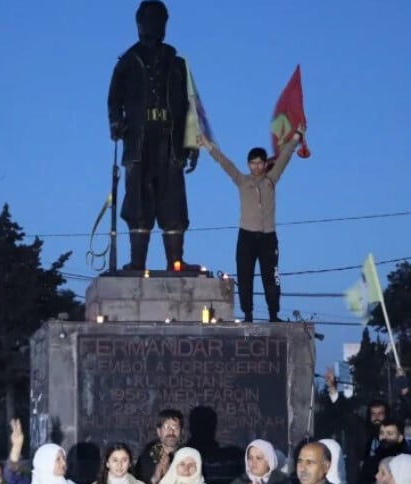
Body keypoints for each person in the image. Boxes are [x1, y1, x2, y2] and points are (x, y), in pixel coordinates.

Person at [107, 0, 200, 272]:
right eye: (149, 19)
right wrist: (116, 122)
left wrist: (192, 142)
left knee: (172, 199)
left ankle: (176, 262)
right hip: (139, 140)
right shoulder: (127, 62)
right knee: (138, 198)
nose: (154, 24)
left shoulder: (178, 64)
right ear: (139, 24)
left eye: (160, 19)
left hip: (170, 140)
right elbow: (114, 99)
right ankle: (138, 262)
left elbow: (190, 104)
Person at [197, 124, 304, 321]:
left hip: (268, 239)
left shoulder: (271, 180)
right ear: (248, 165)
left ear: (265, 165)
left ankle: (274, 314)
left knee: (272, 278)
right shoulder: (241, 180)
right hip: (246, 237)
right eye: (252, 163)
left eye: (259, 163)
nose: (256, 166)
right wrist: (208, 146)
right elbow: (225, 164)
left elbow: (285, 157)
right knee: (245, 278)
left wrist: (297, 136)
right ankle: (248, 315)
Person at [357, 418, 411, 484]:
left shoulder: (407, 462)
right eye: (382, 433)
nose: (384, 437)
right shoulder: (371, 462)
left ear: (400, 437)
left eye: (390, 434)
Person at [136, 409, 185, 484]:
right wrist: (155, 478)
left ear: (181, 432)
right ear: (159, 432)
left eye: (175, 428)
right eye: (166, 427)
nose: (171, 432)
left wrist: (168, 472)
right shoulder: (146, 458)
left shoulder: (188, 456)